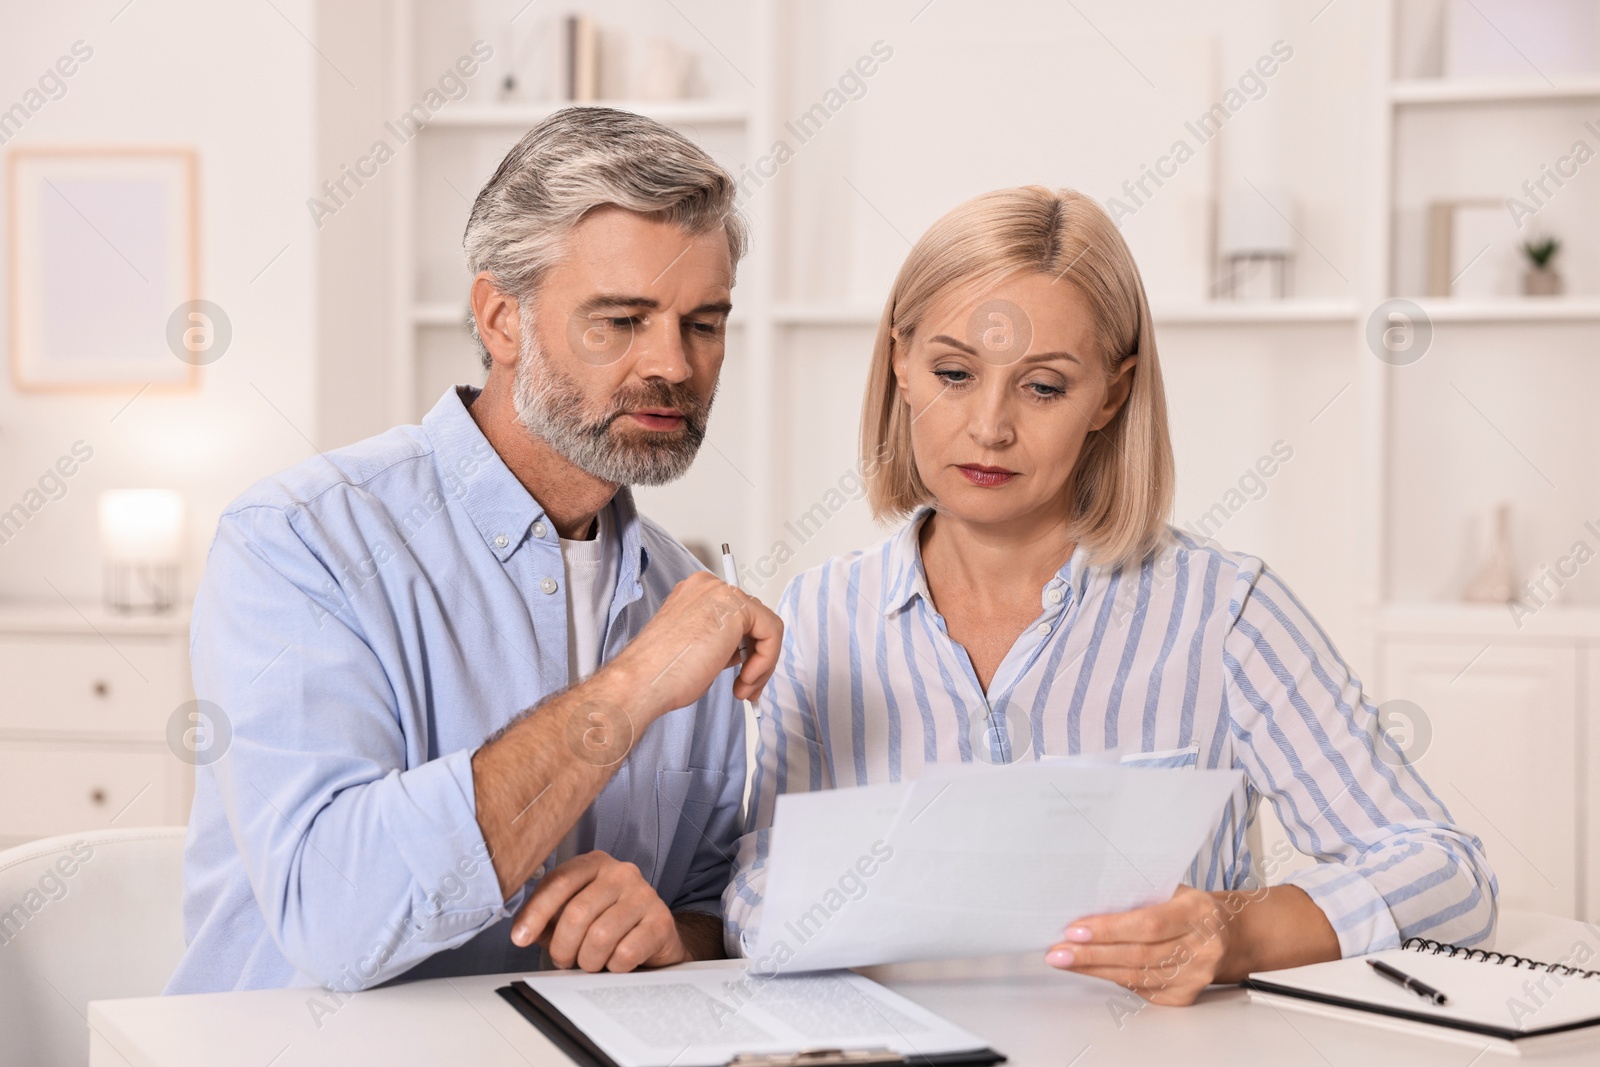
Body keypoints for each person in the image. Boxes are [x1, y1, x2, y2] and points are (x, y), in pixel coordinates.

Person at [723, 186, 1497, 1005]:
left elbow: (1448, 873)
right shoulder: (821, 615)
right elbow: (755, 880)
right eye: (954, 372)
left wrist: (1240, 932)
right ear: (901, 366)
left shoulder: (1224, 611)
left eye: (1044, 387)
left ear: (1113, 394)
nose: (990, 425)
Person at [166, 107, 782, 994]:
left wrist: (670, 936)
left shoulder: (684, 597)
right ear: (501, 319)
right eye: (620, 320)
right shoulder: (301, 542)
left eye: (704, 323)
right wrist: (633, 686)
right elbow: (336, 918)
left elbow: (711, 907)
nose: (675, 365)